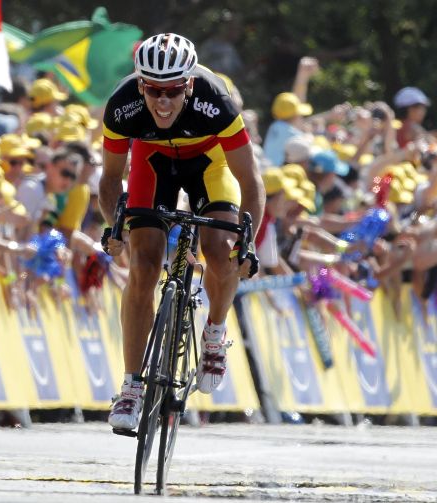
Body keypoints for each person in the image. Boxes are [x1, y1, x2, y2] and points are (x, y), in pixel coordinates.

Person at [99, 33, 264, 430]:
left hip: (209, 163)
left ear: (189, 84)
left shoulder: (217, 101)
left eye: (173, 91)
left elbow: (249, 178)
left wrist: (249, 240)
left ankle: (214, 332)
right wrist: (113, 227)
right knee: (142, 264)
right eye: (154, 90)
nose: (163, 101)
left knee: (222, 248)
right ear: (141, 84)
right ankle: (131, 389)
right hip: (152, 163)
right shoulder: (122, 106)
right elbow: (108, 180)